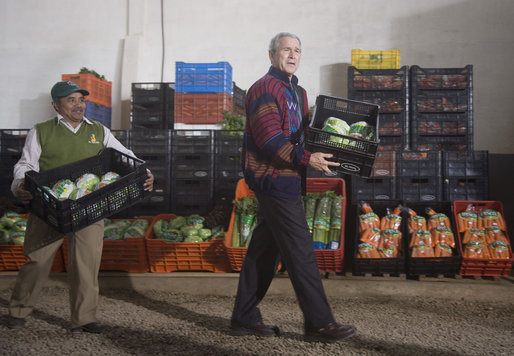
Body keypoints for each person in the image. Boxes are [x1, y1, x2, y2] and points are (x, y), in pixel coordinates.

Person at [229, 32, 356, 343]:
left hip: (290, 178)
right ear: (272, 55)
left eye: (297, 50)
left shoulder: (298, 92)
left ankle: (243, 317)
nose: (292, 55)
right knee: (300, 251)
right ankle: (319, 324)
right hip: (272, 177)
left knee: (264, 251)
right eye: (286, 49)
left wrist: (335, 141)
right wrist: (307, 158)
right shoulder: (263, 89)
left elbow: (303, 134)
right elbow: (270, 141)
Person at [6, 80, 154, 333]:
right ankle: (19, 310)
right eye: (71, 100)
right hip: (49, 205)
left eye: (81, 100)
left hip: (89, 206)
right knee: (37, 261)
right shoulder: (41, 131)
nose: (78, 105)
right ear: (56, 105)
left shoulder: (98, 130)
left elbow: (125, 154)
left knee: (86, 263)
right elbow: (25, 164)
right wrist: (20, 184)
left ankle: (84, 318)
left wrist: (146, 172)